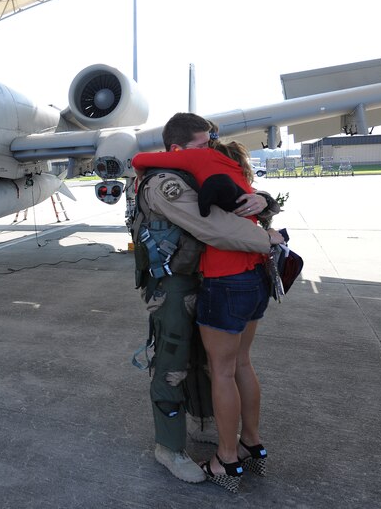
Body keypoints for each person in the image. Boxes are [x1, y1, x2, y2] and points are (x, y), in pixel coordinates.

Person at [130, 113, 284, 486]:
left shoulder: (195, 171)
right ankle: (168, 447)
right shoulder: (164, 181)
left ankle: (216, 432)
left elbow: (233, 195)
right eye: (203, 145)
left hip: (213, 281)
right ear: (178, 149)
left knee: (213, 366)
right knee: (172, 362)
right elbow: (214, 226)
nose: (211, 151)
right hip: (175, 288)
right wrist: (270, 239)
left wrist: (260, 199)